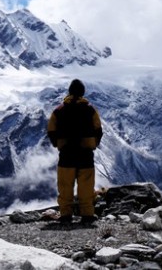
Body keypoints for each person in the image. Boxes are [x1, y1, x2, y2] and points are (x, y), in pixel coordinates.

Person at [47, 79, 103, 224]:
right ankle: (87, 215)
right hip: (85, 153)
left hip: (66, 153)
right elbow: (98, 129)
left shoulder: (59, 110)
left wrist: (57, 144)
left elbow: (51, 130)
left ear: (69, 92)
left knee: (65, 184)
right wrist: (94, 144)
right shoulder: (90, 109)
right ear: (83, 92)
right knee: (86, 184)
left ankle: (66, 214)